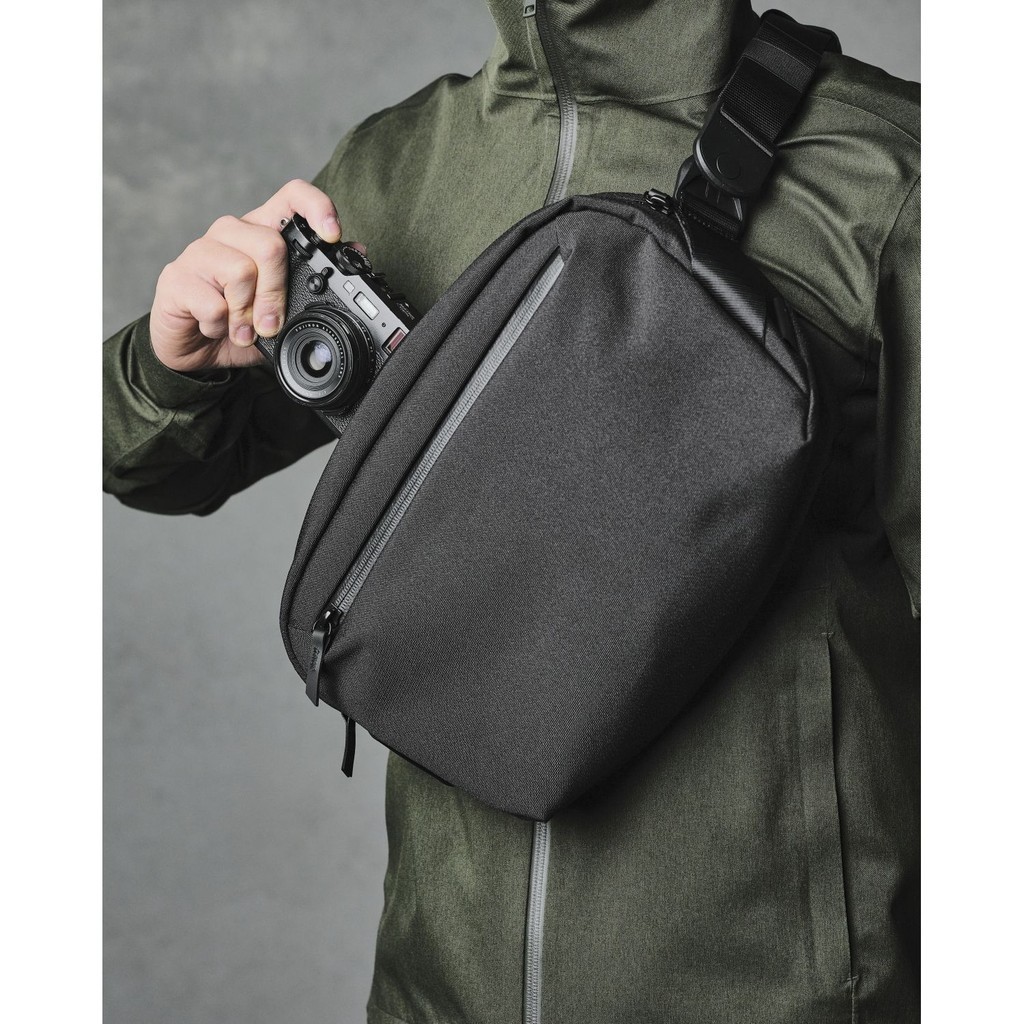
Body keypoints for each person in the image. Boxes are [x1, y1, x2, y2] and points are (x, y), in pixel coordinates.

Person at [103, 1, 920, 1021]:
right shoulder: (408, 162)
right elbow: (145, 466)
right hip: (434, 991)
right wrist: (169, 362)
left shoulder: (892, 177)